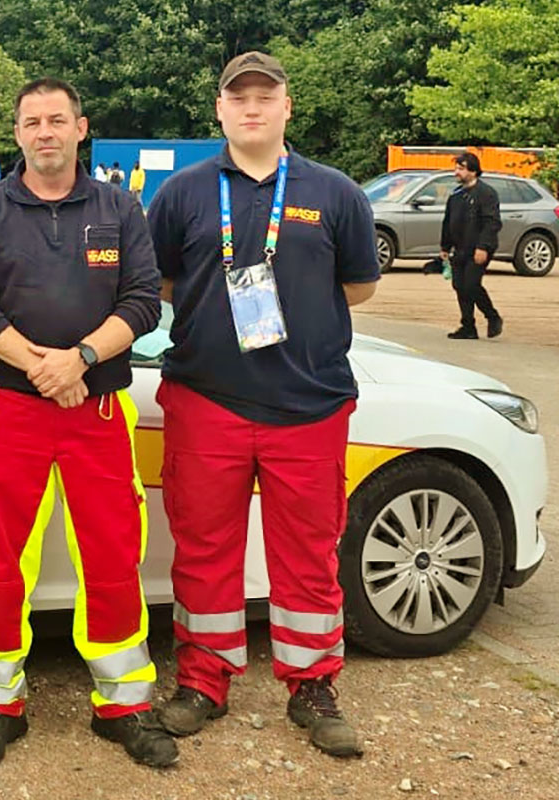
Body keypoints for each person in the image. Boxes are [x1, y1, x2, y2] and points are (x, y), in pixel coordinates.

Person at [146, 51, 379, 759]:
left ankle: (312, 685)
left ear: (286, 107)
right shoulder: (183, 194)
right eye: (237, 97)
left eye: (264, 96)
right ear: (219, 109)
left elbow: (360, 286)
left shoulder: (335, 192)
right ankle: (203, 679)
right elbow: (160, 282)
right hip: (205, 402)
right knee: (204, 549)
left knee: (307, 555)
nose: (251, 107)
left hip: (308, 406)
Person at [0, 77, 172, 770]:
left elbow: (143, 301)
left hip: (98, 407)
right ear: (17, 134)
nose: (43, 132)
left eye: (56, 120)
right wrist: (42, 368)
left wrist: (78, 359)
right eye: (31, 122)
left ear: (80, 128)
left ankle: (124, 705)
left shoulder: (119, 206)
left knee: (111, 556)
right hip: (10, 406)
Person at [441, 152, 503, 339]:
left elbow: (492, 222)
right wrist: (445, 246)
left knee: (471, 284)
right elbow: (448, 221)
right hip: (459, 248)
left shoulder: (486, 194)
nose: (456, 172)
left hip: (478, 248)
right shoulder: (456, 195)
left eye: (461, 168)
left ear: (473, 171)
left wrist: (483, 247)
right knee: (459, 285)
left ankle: (492, 317)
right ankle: (468, 326)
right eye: (456, 168)